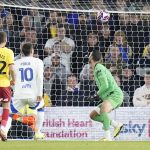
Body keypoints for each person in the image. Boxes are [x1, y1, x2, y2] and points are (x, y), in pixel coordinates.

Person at [89, 50, 123, 141]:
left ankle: (108, 138)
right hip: (109, 96)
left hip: (114, 95)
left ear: (92, 57)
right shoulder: (98, 67)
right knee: (93, 115)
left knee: (103, 110)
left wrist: (96, 95)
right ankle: (116, 125)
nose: (88, 56)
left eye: (90, 54)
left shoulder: (99, 68)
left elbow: (105, 85)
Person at [12, 42, 45, 139]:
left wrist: (15, 91)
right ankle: (37, 132)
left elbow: (12, 80)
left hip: (18, 95)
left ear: (21, 52)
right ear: (32, 51)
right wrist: (39, 93)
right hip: (32, 95)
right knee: (41, 106)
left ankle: (3, 131)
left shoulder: (15, 63)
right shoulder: (38, 61)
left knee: (9, 114)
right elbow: (39, 78)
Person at [0, 31, 15, 141]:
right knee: (6, 108)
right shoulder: (9, 52)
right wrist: (14, 80)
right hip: (4, 85)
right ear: (5, 41)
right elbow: (12, 69)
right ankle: (2, 129)